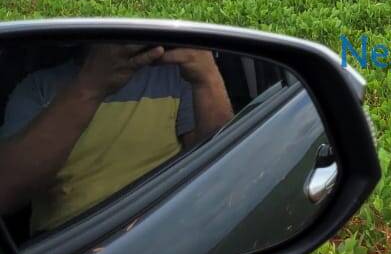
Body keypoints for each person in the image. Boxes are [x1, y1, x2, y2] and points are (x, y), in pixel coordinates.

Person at [0, 42, 234, 236]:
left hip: (167, 234)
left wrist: (207, 76)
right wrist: (91, 86)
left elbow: (219, 174)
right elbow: (6, 191)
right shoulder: (37, 88)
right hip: (68, 252)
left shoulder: (178, 74)